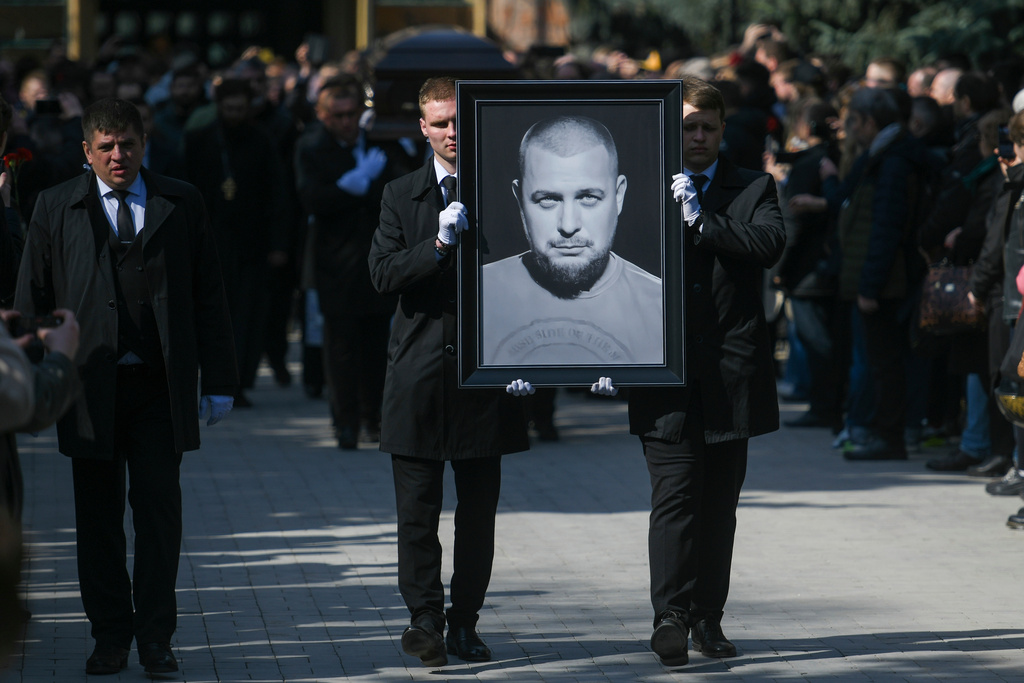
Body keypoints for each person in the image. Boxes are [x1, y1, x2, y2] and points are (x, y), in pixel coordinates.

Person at [14, 97, 238, 676]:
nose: (120, 156)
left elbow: (208, 296)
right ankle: (109, 635)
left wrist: (218, 380)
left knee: (160, 514)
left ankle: (156, 636)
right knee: (98, 519)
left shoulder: (179, 200)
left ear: (145, 143)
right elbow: (31, 300)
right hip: (88, 388)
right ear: (86, 152)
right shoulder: (55, 206)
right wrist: (35, 380)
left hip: (159, 387)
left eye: (129, 144)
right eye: (106, 147)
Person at [593, 75, 785, 667]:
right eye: (686, 127)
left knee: (719, 505)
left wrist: (703, 220)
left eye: (707, 127)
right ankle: (669, 616)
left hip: (730, 375)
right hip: (663, 376)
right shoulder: (639, 190)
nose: (697, 137)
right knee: (674, 499)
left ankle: (708, 617)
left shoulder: (753, 187)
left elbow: (767, 244)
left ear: (723, 131)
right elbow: (608, 272)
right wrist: (601, 356)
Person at [367, 76, 529, 668]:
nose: (452, 133)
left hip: (487, 378)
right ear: (423, 129)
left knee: (478, 516)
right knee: (416, 514)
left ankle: (465, 622)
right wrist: (436, 244)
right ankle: (424, 620)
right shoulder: (400, 194)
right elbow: (382, 275)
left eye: (460, 122)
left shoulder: (508, 190)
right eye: (440, 124)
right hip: (418, 374)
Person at [480, 114, 663, 365]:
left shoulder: (660, 305)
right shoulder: (478, 295)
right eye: (548, 199)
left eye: (588, 197)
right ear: (519, 199)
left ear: (619, 196)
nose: (568, 225)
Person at [295, 75, 400, 448]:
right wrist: (349, 186)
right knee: (340, 348)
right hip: (333, 264)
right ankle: (346, 421)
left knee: (376, 345)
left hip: (375, 260)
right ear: (323, 116)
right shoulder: (312, 148)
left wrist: (364, 185)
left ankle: (375, 418)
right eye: (336, 115)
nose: (345, 121)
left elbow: (395, 193)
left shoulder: (376, 146)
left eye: (351, 113)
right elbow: (312, 199)